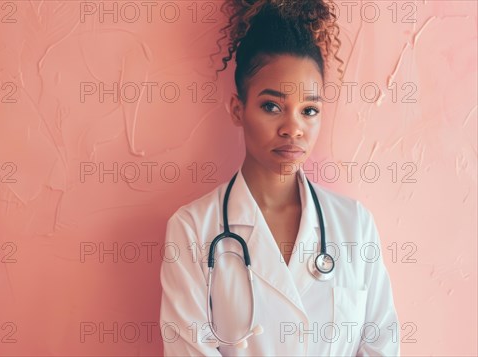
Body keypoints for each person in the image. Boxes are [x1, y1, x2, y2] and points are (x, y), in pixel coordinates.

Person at [159, 0, 400, 356]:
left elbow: (381, 344)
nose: (293, 129)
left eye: (309, 110)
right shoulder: (193, 228)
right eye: (272, 106)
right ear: (238, 110)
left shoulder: (354, 224)